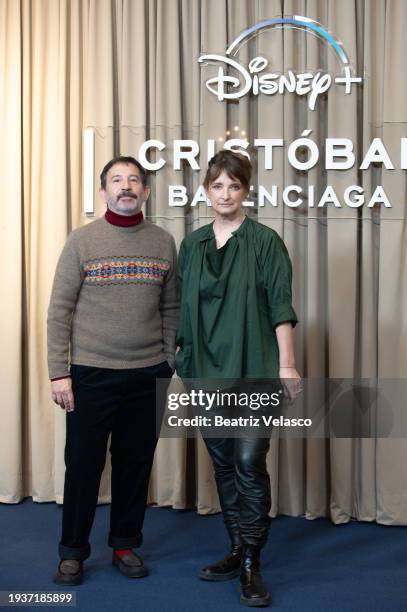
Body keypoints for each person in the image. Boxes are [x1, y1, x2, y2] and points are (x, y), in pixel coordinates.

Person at [175, 150, 301, 607]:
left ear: (246, 190)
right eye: (217, 186)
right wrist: (179, 356)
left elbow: (281, 306)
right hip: (204, 374)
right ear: (206, 191)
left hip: (254, 370)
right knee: (224, 465)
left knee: (249, 464)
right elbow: (182, 309)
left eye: (234, 186)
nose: (225, 194)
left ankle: (253, 563)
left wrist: (286, 365)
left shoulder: (265, 241)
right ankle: (236, 548)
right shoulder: (191, 245)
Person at [47, 155, 178, 585]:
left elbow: (171, 307)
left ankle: (125, 543)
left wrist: (167, 362)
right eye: (117, 180)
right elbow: (59, 311)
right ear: (103, 191)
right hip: (90, 373)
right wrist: (58, 372)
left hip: (146, 374)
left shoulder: (163, 241)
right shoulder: (82, 241)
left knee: (134, 464)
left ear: (146, 191)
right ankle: (72, 552)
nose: (126, 187)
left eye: (134, 180)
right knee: (83, 465)